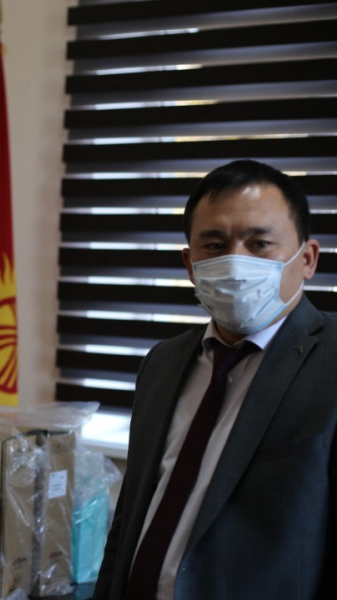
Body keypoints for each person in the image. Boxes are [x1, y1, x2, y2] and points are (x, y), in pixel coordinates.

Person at [92, 159, 336, 600]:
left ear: (307, 260)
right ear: (190, 263)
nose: (235, 262)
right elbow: (129, 517)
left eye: (259, 243)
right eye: (215, 245)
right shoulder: (162, 363)